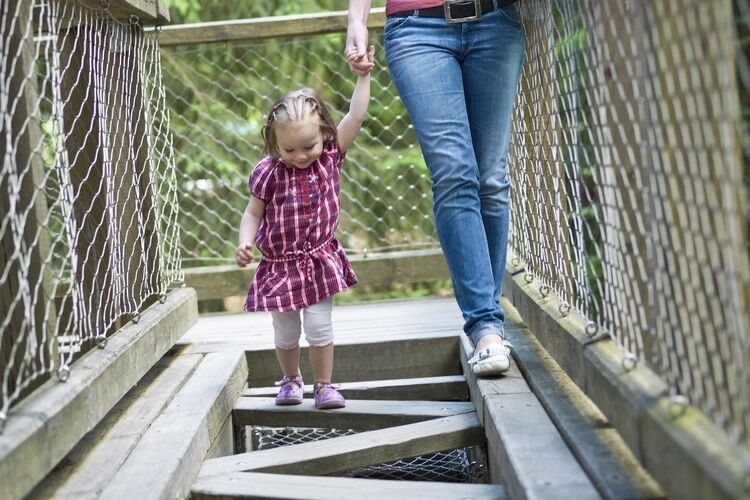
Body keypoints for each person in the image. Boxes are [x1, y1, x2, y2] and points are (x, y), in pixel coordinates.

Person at [346, 0, 524, 376]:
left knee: (490, 179)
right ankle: (486, 328)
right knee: (454, 174)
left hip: (497, 19)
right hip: (417, 28)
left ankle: (488, 323)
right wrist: (356, 20)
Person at [235, 47, 375, 409]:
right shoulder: (268, 172)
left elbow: (356, 115)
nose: (300, 156)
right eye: (289, 149)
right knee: (285, 329)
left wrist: (363, 76)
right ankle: (290, 380)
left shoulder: (330, 157)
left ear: (324, 133)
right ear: (274, 142)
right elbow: (252, 213)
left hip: (317, 260)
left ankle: (324, 386)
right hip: (280, 264)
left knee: (318, 325)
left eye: (308, 146)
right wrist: (245, 242)